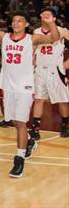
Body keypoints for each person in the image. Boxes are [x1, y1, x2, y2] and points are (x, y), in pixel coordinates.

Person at [0, 8, 59, 178]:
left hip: (25, 87)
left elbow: (54, 38)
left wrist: (51, 22)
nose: (16, 23)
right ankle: (29, 141)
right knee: (14, 120)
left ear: (26, 24)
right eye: (14, 20)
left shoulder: (32, 39)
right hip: (8, 86)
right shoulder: (4, 37)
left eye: (20, 20)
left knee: (20, 123)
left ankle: (19, 158)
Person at [29, 8, 69, 139]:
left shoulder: (62, 30)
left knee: (62, 100)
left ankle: (65, 126)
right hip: (40, 68)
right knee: (38, 99)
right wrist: (32, 61)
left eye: (48, 15)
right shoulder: (36, 31)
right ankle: (35, 129)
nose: (45, 16)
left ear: (54, 18)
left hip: (56, 69)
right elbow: (34, 49)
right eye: (43, 14)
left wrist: (66, 63)